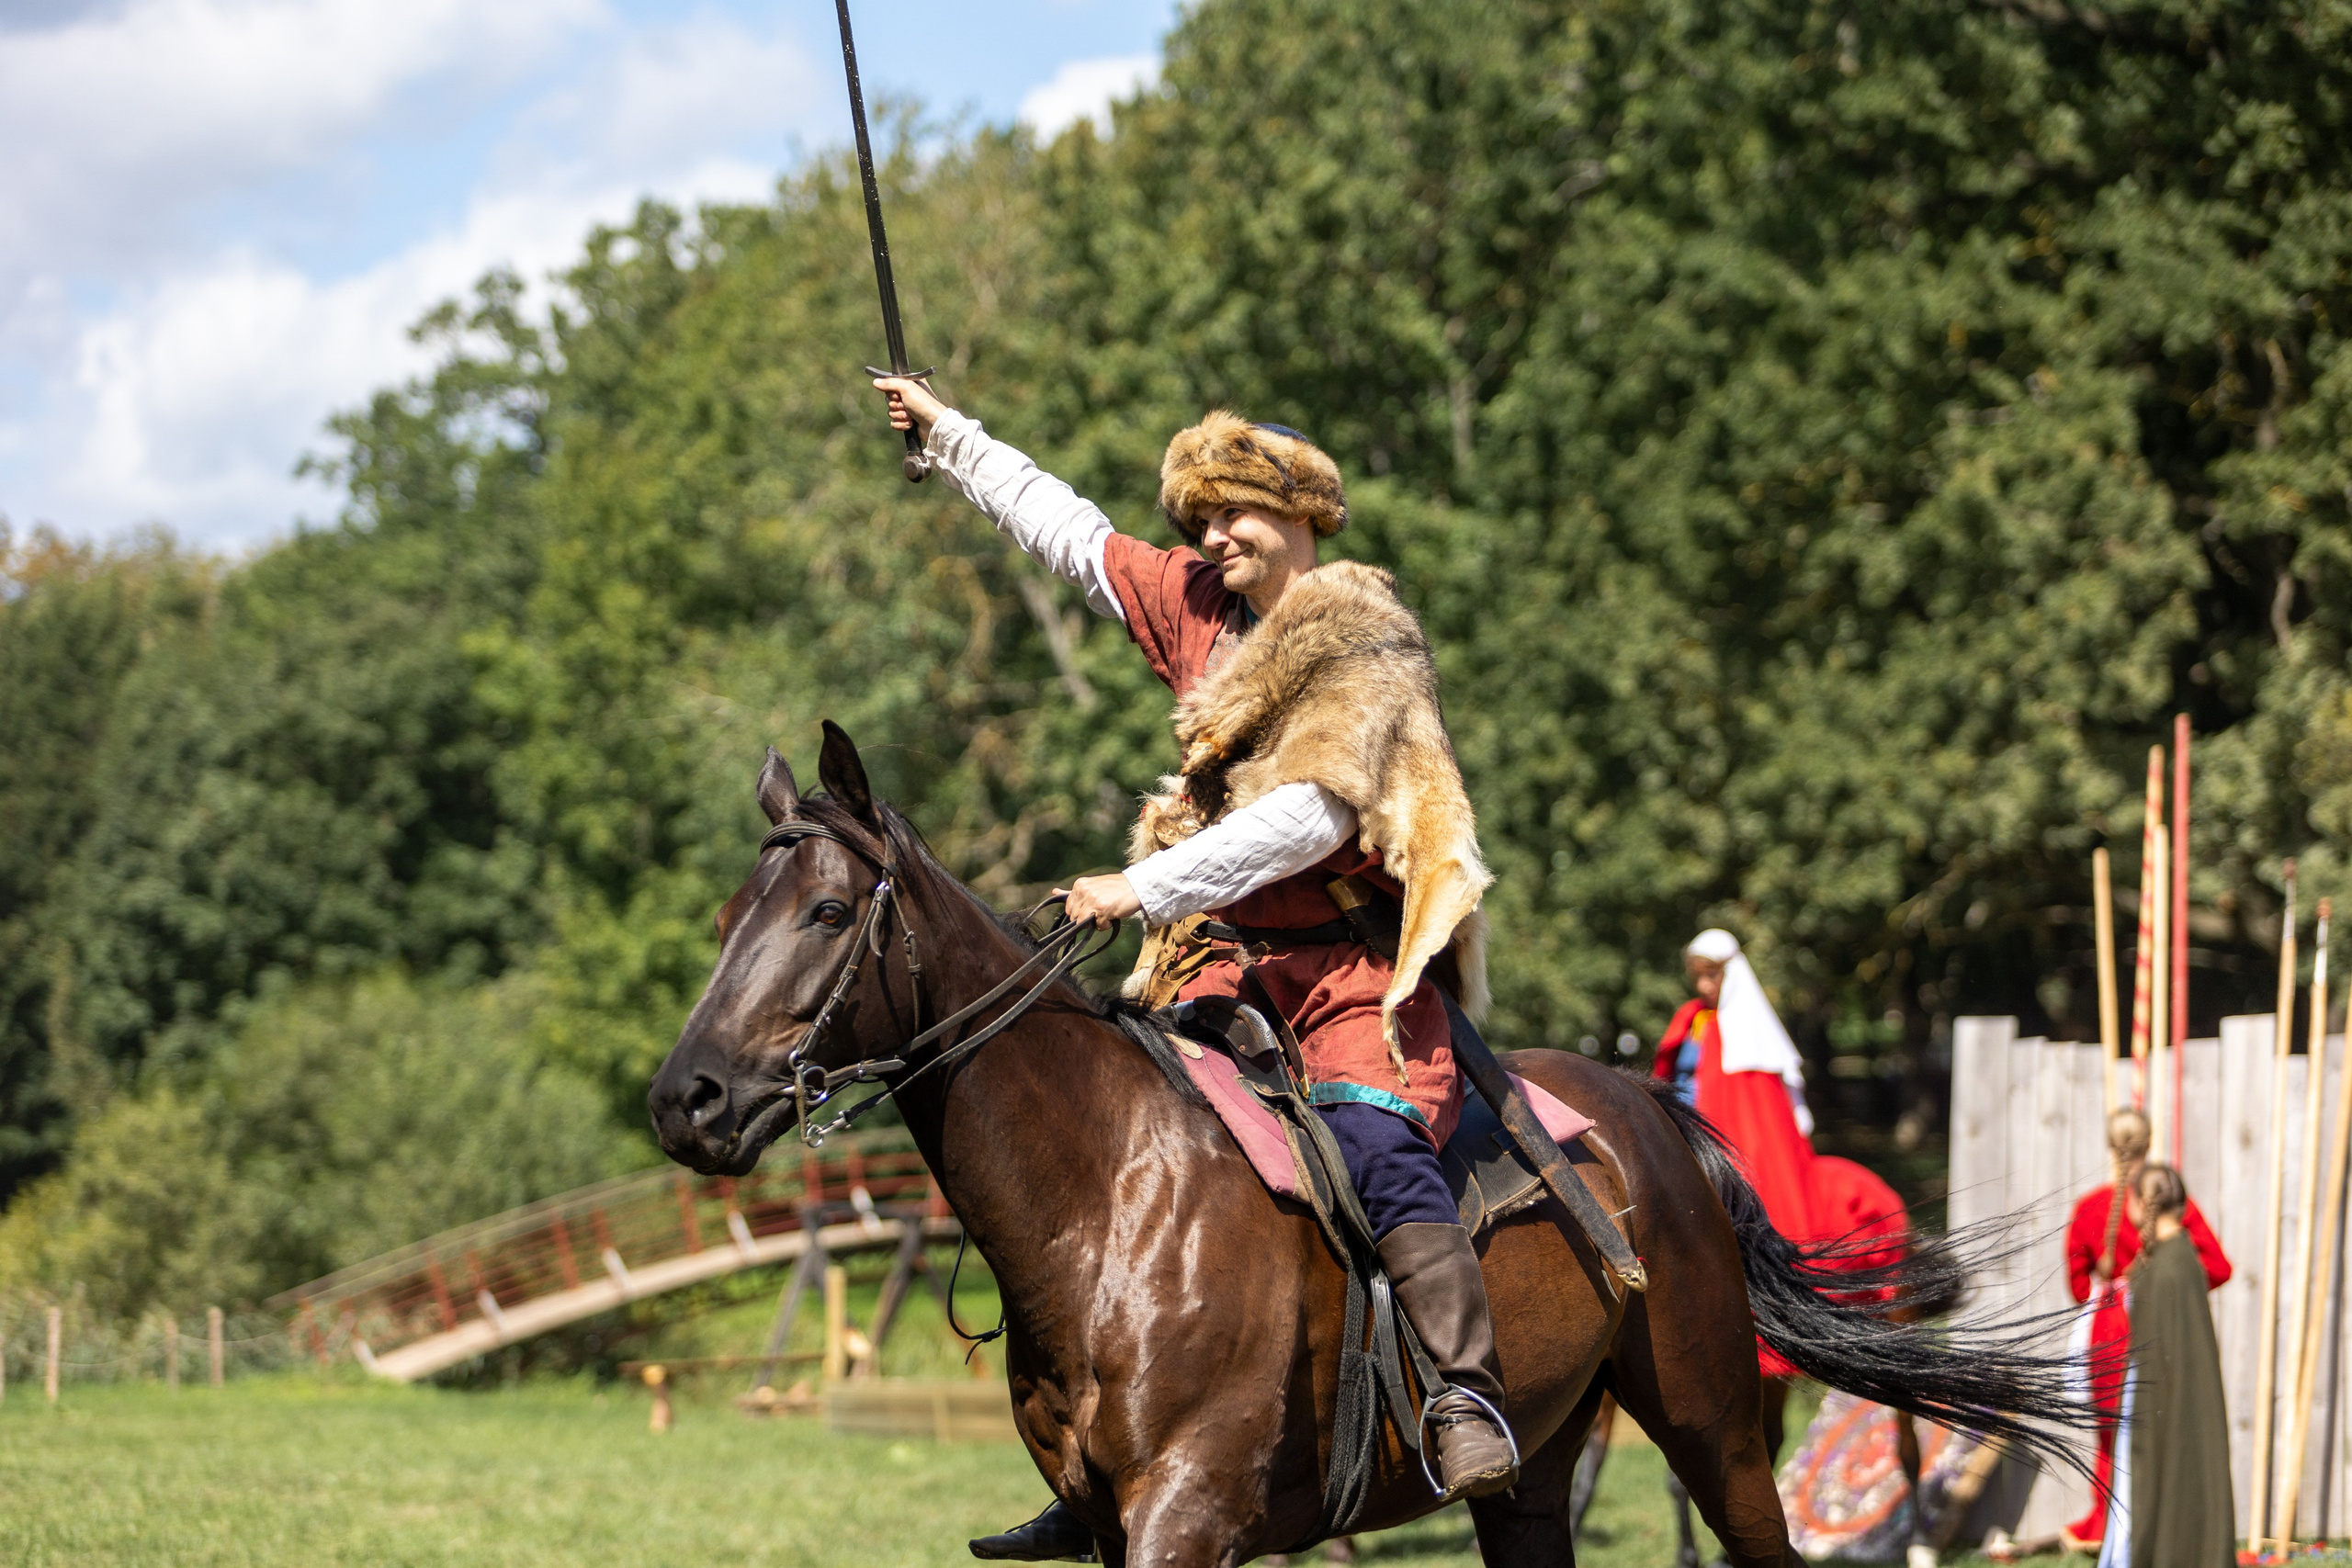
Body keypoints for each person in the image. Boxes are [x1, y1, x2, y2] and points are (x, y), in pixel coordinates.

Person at [869, 377, 1513, 1562]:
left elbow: (1316, 818)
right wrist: (949, 436)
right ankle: (1106, 1456)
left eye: (1238, 514)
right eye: (1201, 517)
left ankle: (1466, 1395)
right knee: (1112, 1141)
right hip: (1218, 957)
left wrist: (1135, 888)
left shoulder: (1360, 638)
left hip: (1343, 965)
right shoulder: (1195, 605)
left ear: (1301, 512)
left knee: (1370, 1141)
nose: (1215, 537)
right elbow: (1067, 530)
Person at [2063, 1109, 2231, 1555]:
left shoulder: (2089, 1208)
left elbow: (2079, 1286)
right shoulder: (2169, 1202)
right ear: (2149, 1142)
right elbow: (2216, 1266)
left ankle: (2108, 1526)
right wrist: (2177, 1298)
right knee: (2151, 1435)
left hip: (2106, 1330)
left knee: (2113, 1439)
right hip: (2149, 1330)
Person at [2096, 1163, 2233, 1568]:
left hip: (2156, 1401)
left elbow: (2158, 1359)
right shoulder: (2178, 1255)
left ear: (2142, 1203)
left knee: (2151, 1480)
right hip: (2161, 1395)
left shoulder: (2167, 1269)